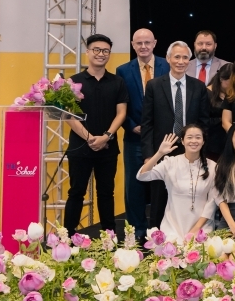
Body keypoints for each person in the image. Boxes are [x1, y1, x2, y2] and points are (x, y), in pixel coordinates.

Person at [141, 41, 211, 230]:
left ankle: (188, 238)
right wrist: (149, 155)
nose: (181, 61)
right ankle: (156, 238)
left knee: (190, 197)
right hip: (162, 149)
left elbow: (204, 122)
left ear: (190, 60)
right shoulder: (154, 86)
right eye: (177, 57)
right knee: (158, 198)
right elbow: (147, 123)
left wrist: (201, 150)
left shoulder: (199, 87)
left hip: (191, 151)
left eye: (185, 57)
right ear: (168, 58)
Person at [64, 34, 129, 237]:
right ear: (88, 52)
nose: (101, 54)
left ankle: (109, 237)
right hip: (79, 147)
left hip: (108, 147)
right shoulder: (74, 82)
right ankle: (67, 237)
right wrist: (89, 138)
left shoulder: (117, 82)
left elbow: (121, 113)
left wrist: (106, 136)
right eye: (97, 50)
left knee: (106, 193)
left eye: (105, 51)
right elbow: (68, 114)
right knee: (76, 192)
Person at [116, 28, 168, 240]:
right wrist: (130, 125)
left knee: (163, 184)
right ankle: (136, 231)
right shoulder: (123, 70)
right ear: (133, 45)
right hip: (134, 137)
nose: (143, 46)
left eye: (147, 42)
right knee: (134, 186)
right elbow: (120, 103)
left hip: (163, 139)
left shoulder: (167, 65)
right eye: (139, 43)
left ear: (154, 43)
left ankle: (160, 229)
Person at [138, 126, 216, 240]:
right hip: (172, 228)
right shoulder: (170, 162)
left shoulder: (213, 166)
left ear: (203, 141)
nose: (194, 141)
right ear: (182, 141)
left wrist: (196, 230)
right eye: (189, 137)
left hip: (202, 228)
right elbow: (142, 176)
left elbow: (212, 202)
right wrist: (159, 153)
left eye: (198, 137)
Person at [204, 63, 233, 161]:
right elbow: (202, 119)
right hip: (212, 143)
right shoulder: (206, 93)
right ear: (221, 79)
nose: (234, 85)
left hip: (228, 142)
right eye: (231, 82)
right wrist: (223, 119)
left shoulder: (232, 94)